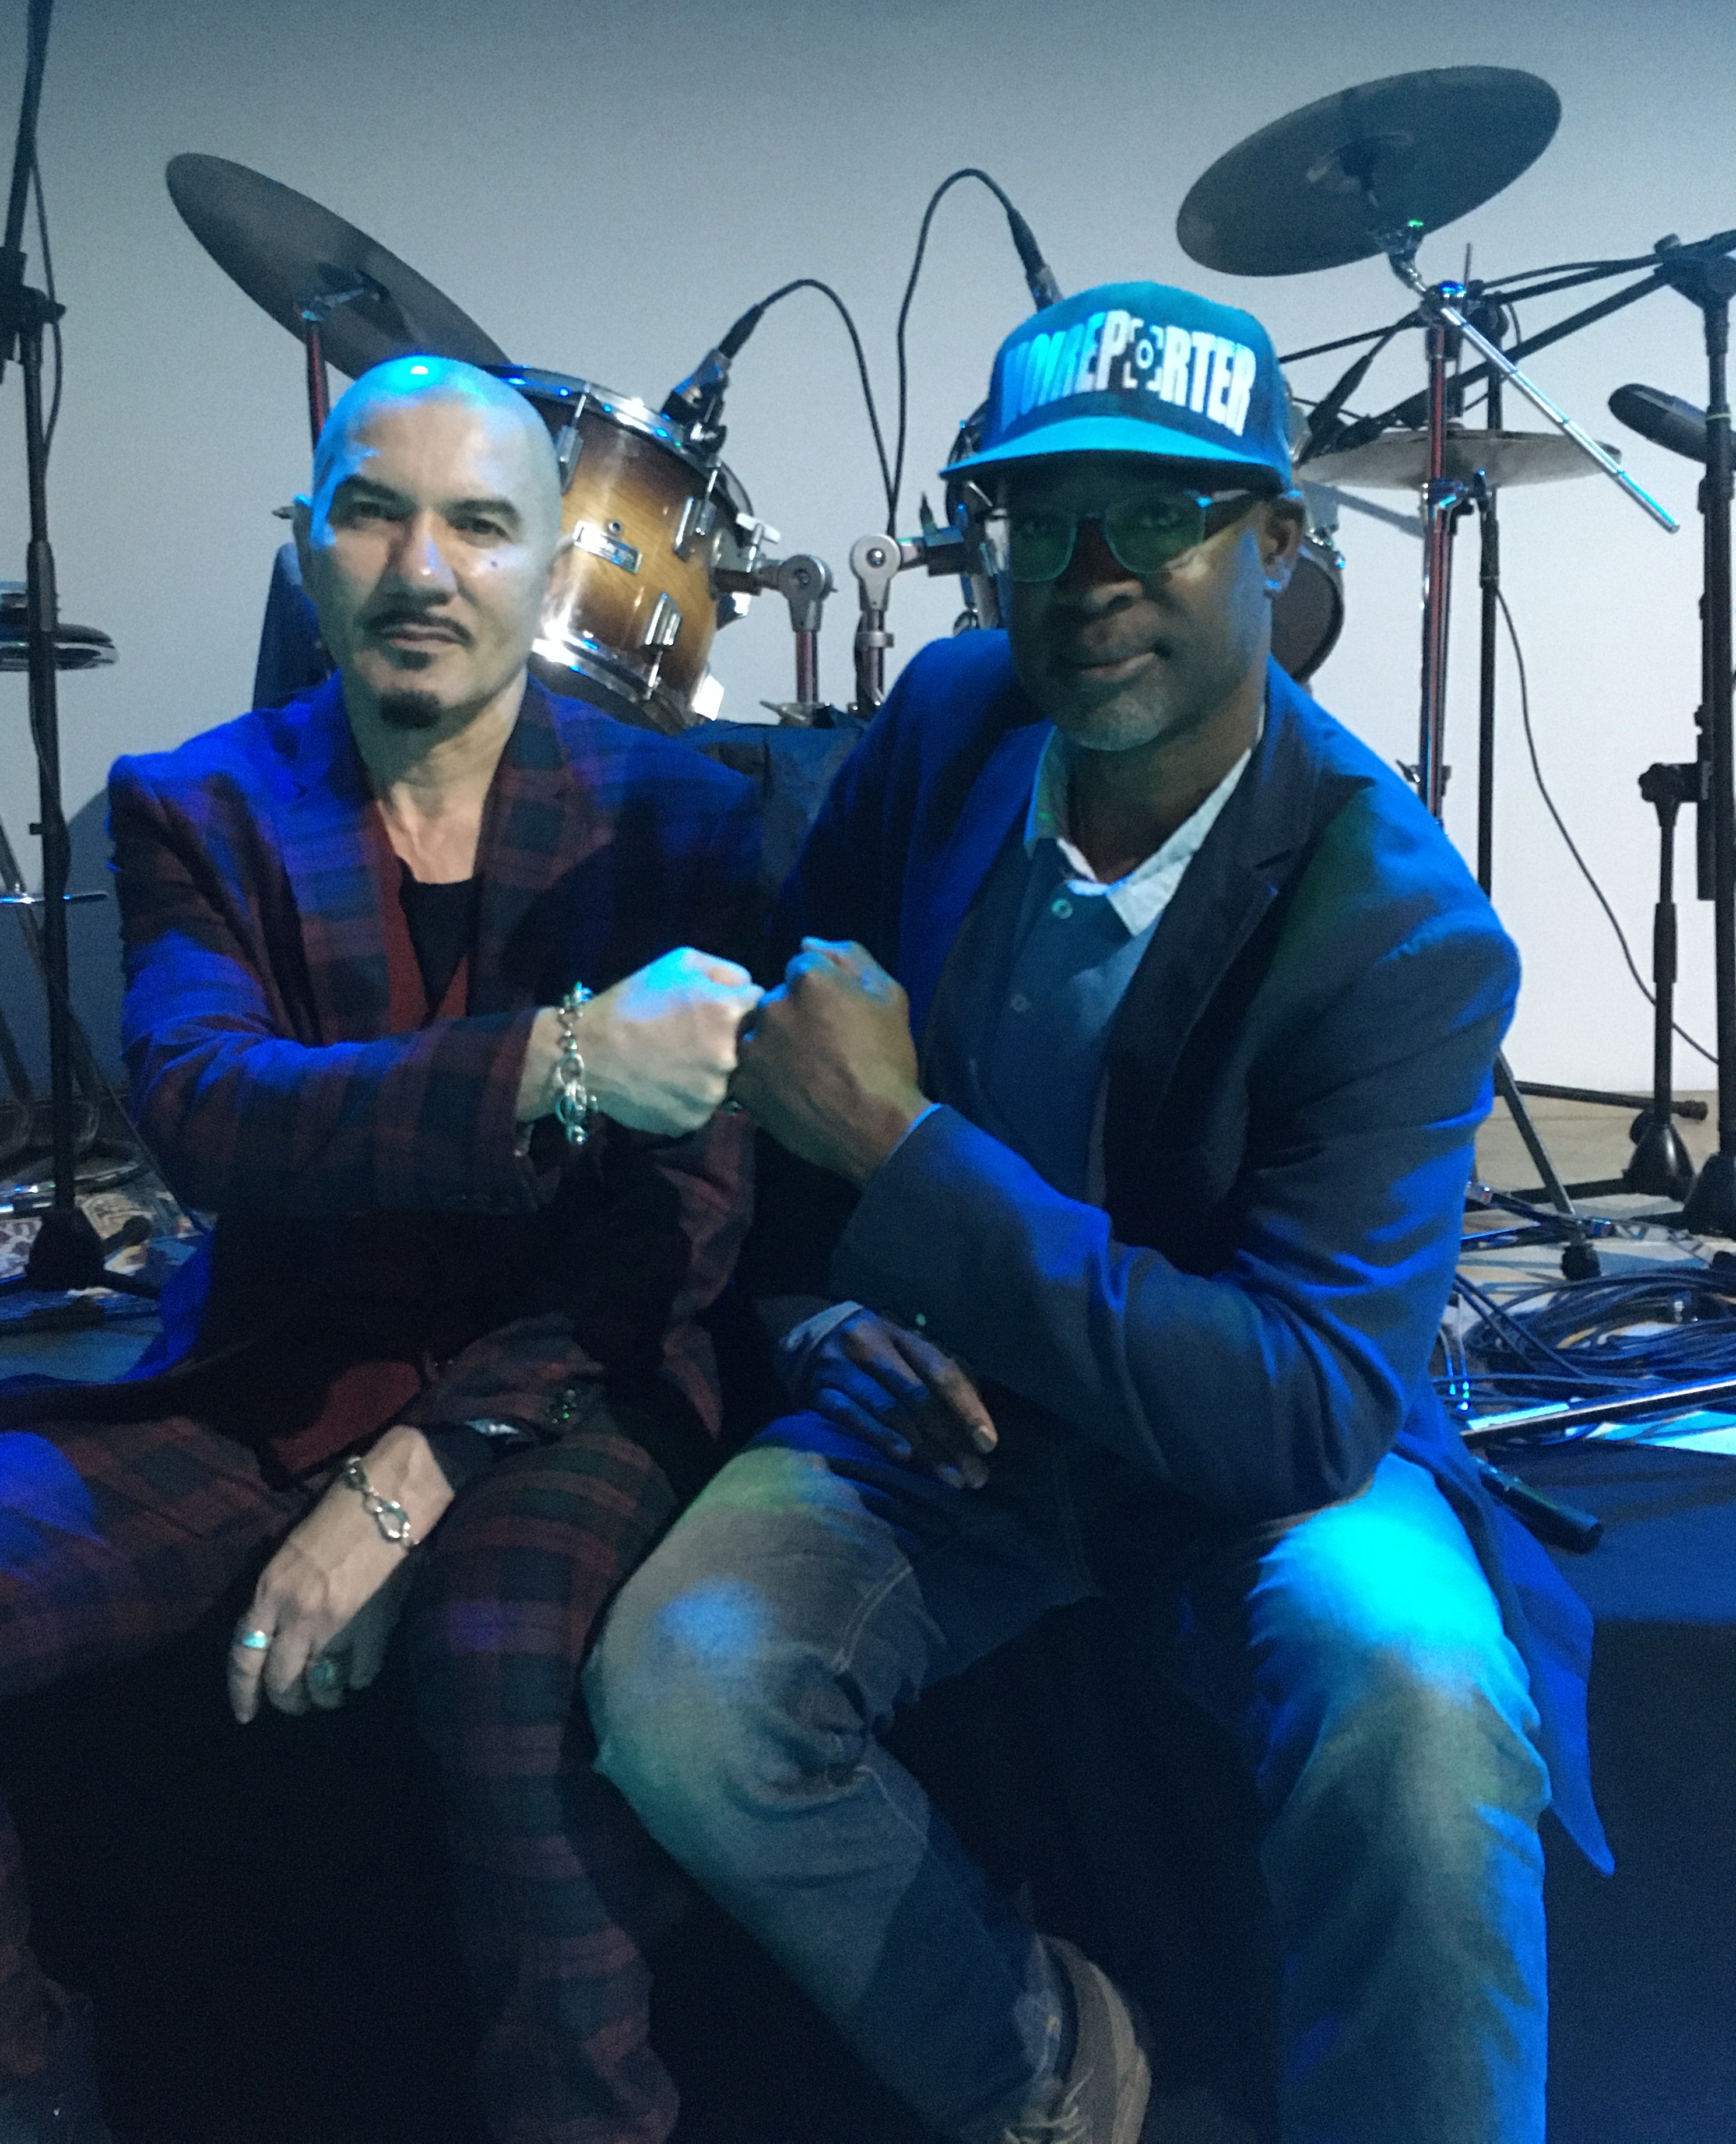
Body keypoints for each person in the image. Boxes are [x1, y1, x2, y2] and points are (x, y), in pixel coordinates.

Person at [585, 281, 1608, 2144]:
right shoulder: (954, 716)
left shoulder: (1402, 923)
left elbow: (1305, 1406)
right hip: (954, 1421)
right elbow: (793, 1083)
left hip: (1247, 1447)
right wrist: (829, 1313)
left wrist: (910, 1156)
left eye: (1159, 513)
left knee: (1424, 1706)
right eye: (1042, 519)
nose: (1092, 573)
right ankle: (1063, 2083)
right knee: (684, 1691)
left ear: (1277, 543)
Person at [0, 357, 766, 2144]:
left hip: (564, 1384)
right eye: (372, 514)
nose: (422, 568)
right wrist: (558, 1062)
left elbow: (683, 1231)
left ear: (551, 558)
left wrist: (421, 1476)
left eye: (478, 525)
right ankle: (29, 2100)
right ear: (306, 547)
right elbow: (207, 1109)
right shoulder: (198, 804)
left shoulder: (683, 818)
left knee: (505, 1665)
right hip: (277, 1370)